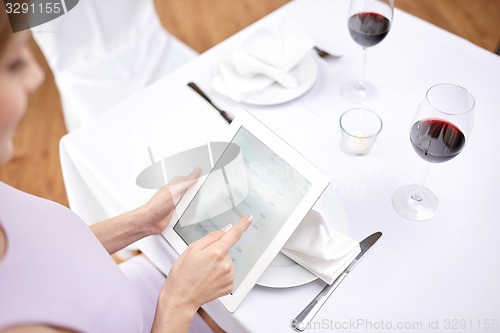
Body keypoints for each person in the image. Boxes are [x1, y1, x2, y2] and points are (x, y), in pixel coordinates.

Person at [0, 10, 252, 333]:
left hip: (124, 294)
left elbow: (42, 256)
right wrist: (179, 300)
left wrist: (142, 221)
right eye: (13, 64)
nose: (37, 76)